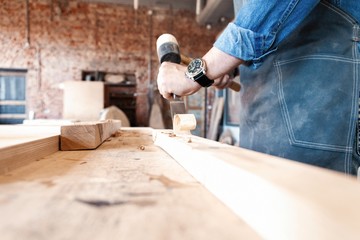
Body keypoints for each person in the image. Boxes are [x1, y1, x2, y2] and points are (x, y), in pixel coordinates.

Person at [157, 0, 360, 175]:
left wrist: (198, 73)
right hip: (258, 112)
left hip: (312, 100)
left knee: (308, 209)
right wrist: (229, 66)